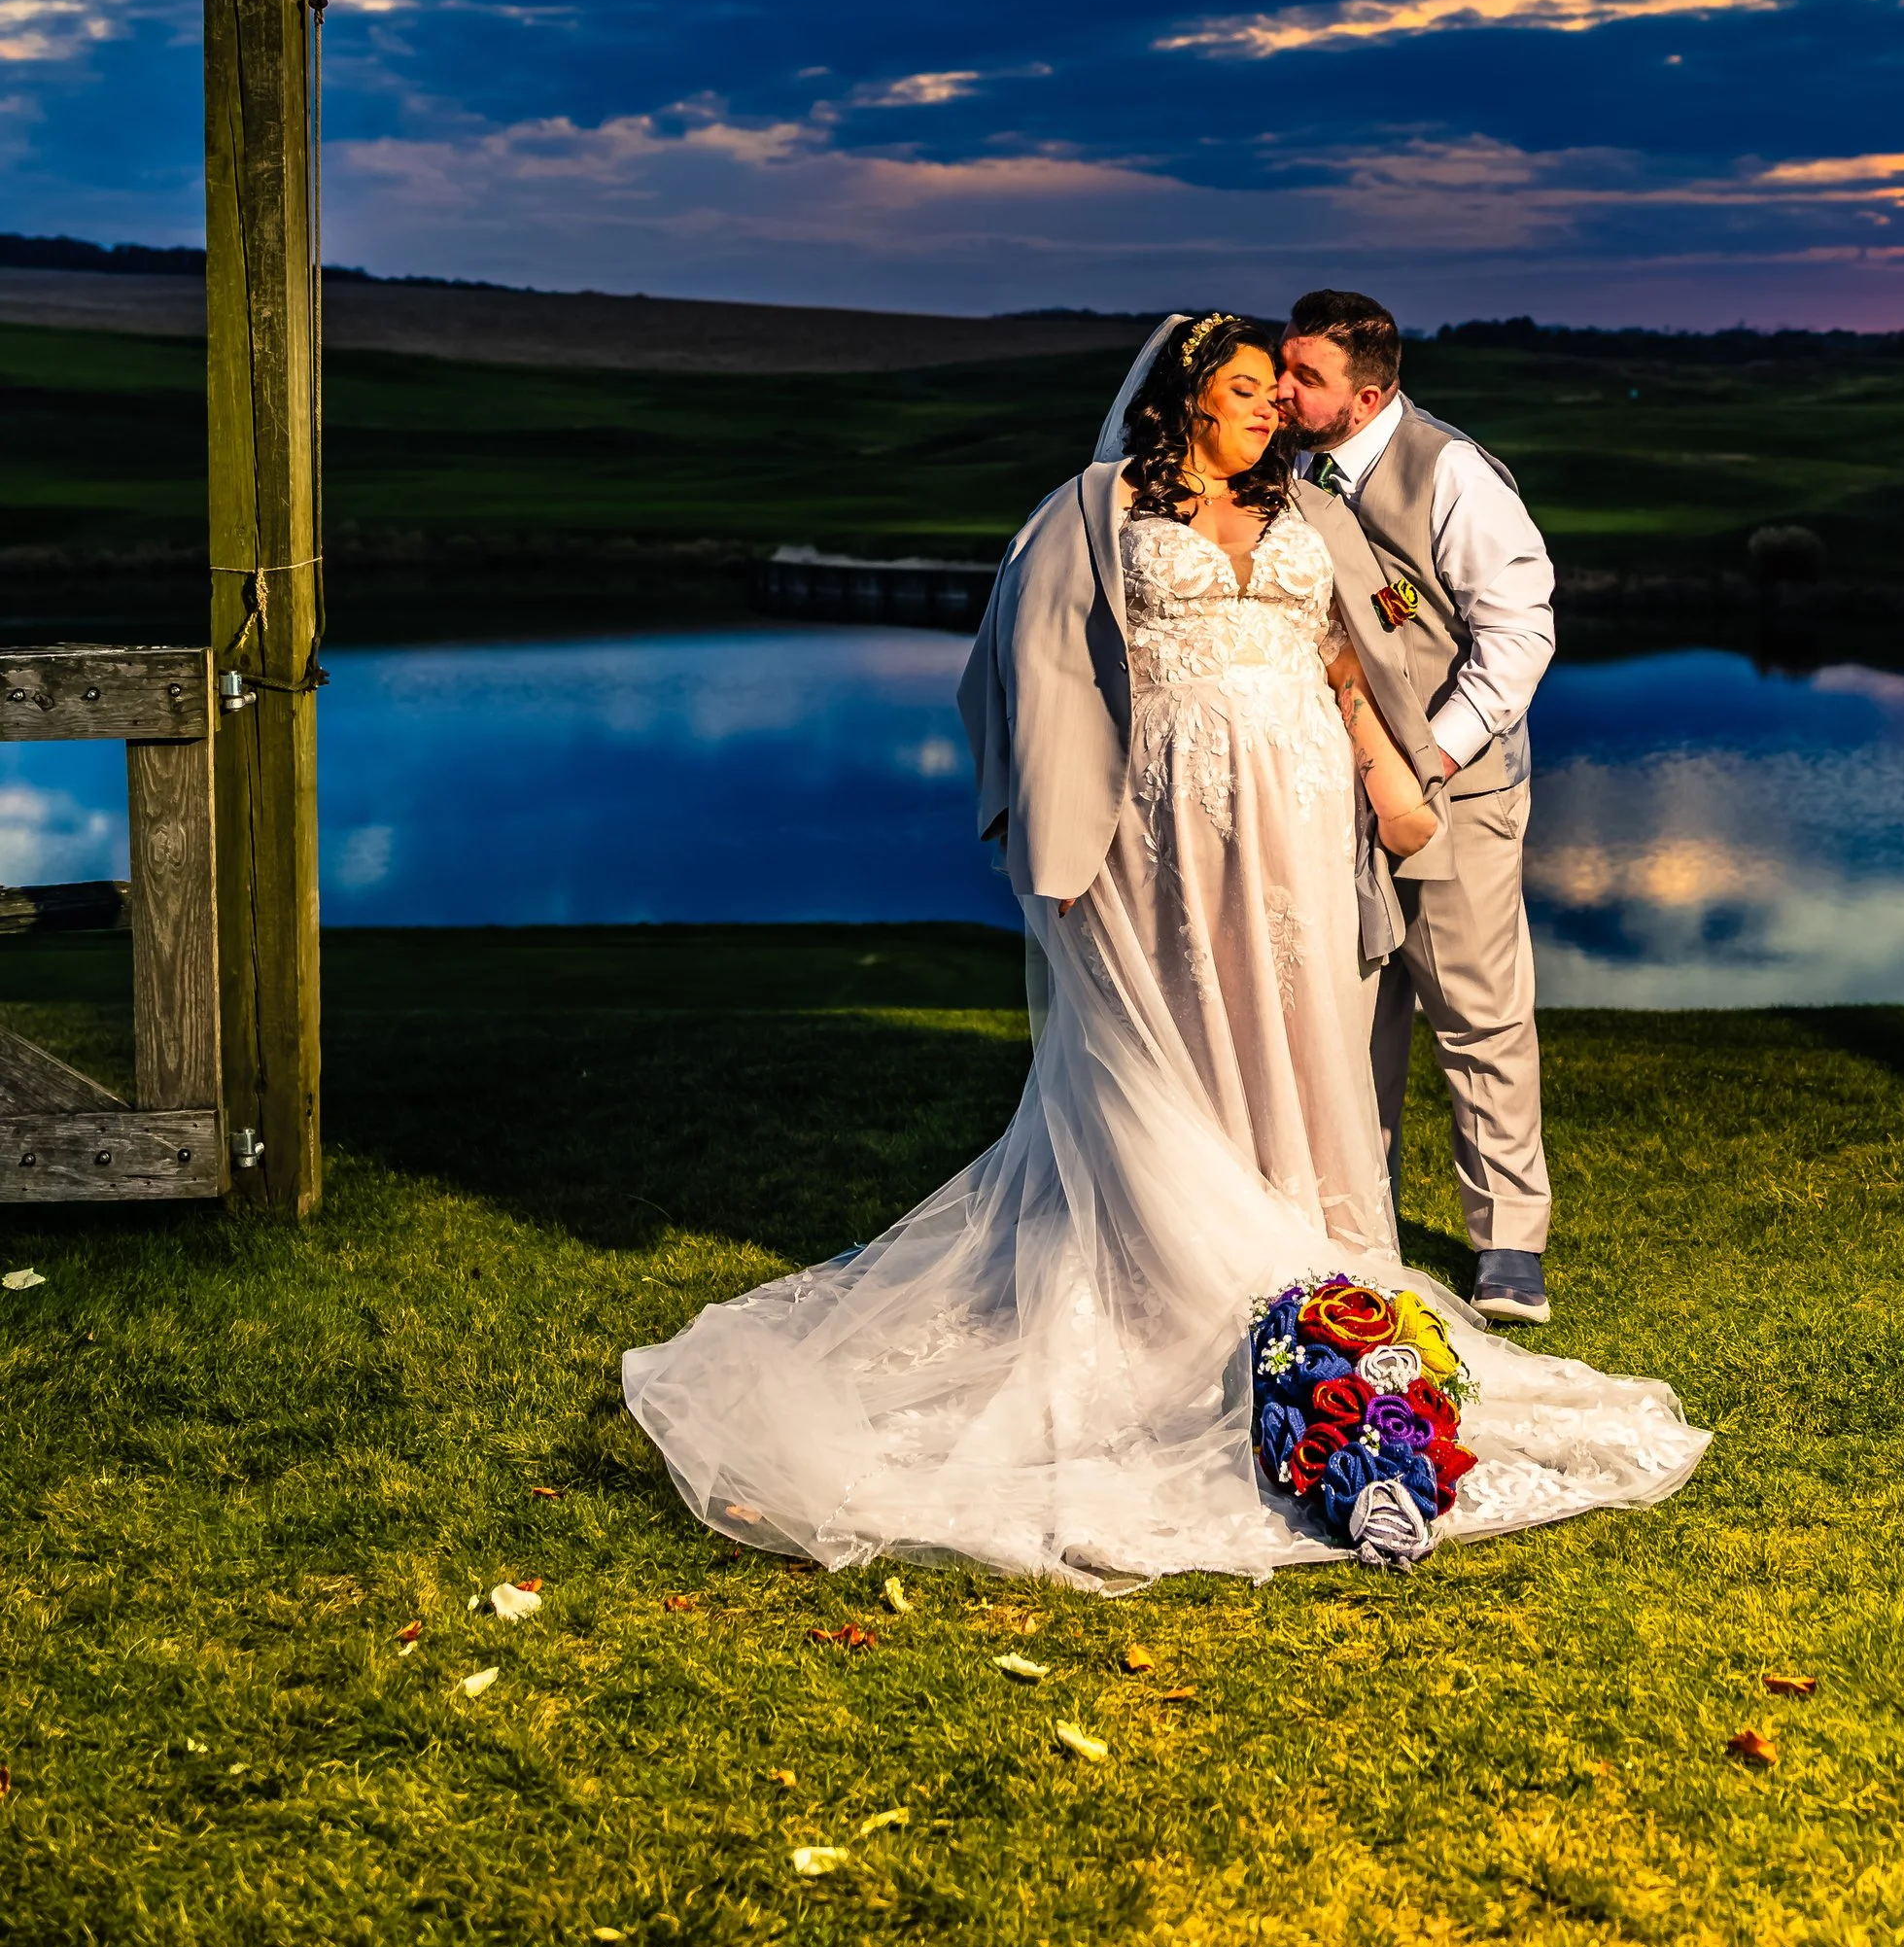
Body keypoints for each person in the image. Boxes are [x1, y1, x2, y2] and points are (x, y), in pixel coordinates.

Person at [622, 311, 1705, 1586]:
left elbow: (1356, 658)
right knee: (1179, 1042)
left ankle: (1329, 1276)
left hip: (1303, 821)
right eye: (1250, 388)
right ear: (1184, 398)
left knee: (1310, 1036)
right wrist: (1048, 830)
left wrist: (1406, 783)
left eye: (1283, 387)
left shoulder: (1312, 510)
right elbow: (1019, 669)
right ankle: (1161, 1290)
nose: (1272, 408)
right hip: (1163, 827)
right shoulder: (1093, 510)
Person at [1277, 290, 1558, 1325]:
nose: (1284, 390)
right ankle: (1360, 1228)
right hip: (1329, 794)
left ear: (1369, 391)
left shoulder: (1452, 473)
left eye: (1306, 377)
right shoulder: (1296, 471)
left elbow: (1518, 635)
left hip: (1457, 793)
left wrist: (1428, 760)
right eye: (1284, 367)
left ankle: (1510, 1248)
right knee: (1351, 1019)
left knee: (1477, 1016)